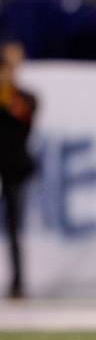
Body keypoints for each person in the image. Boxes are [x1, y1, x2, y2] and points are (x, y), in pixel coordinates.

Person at [0, 49, 37, 298]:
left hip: (14, 171)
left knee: (15, 230)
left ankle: (18, 282)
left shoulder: (23, 98)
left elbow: (24, 121)